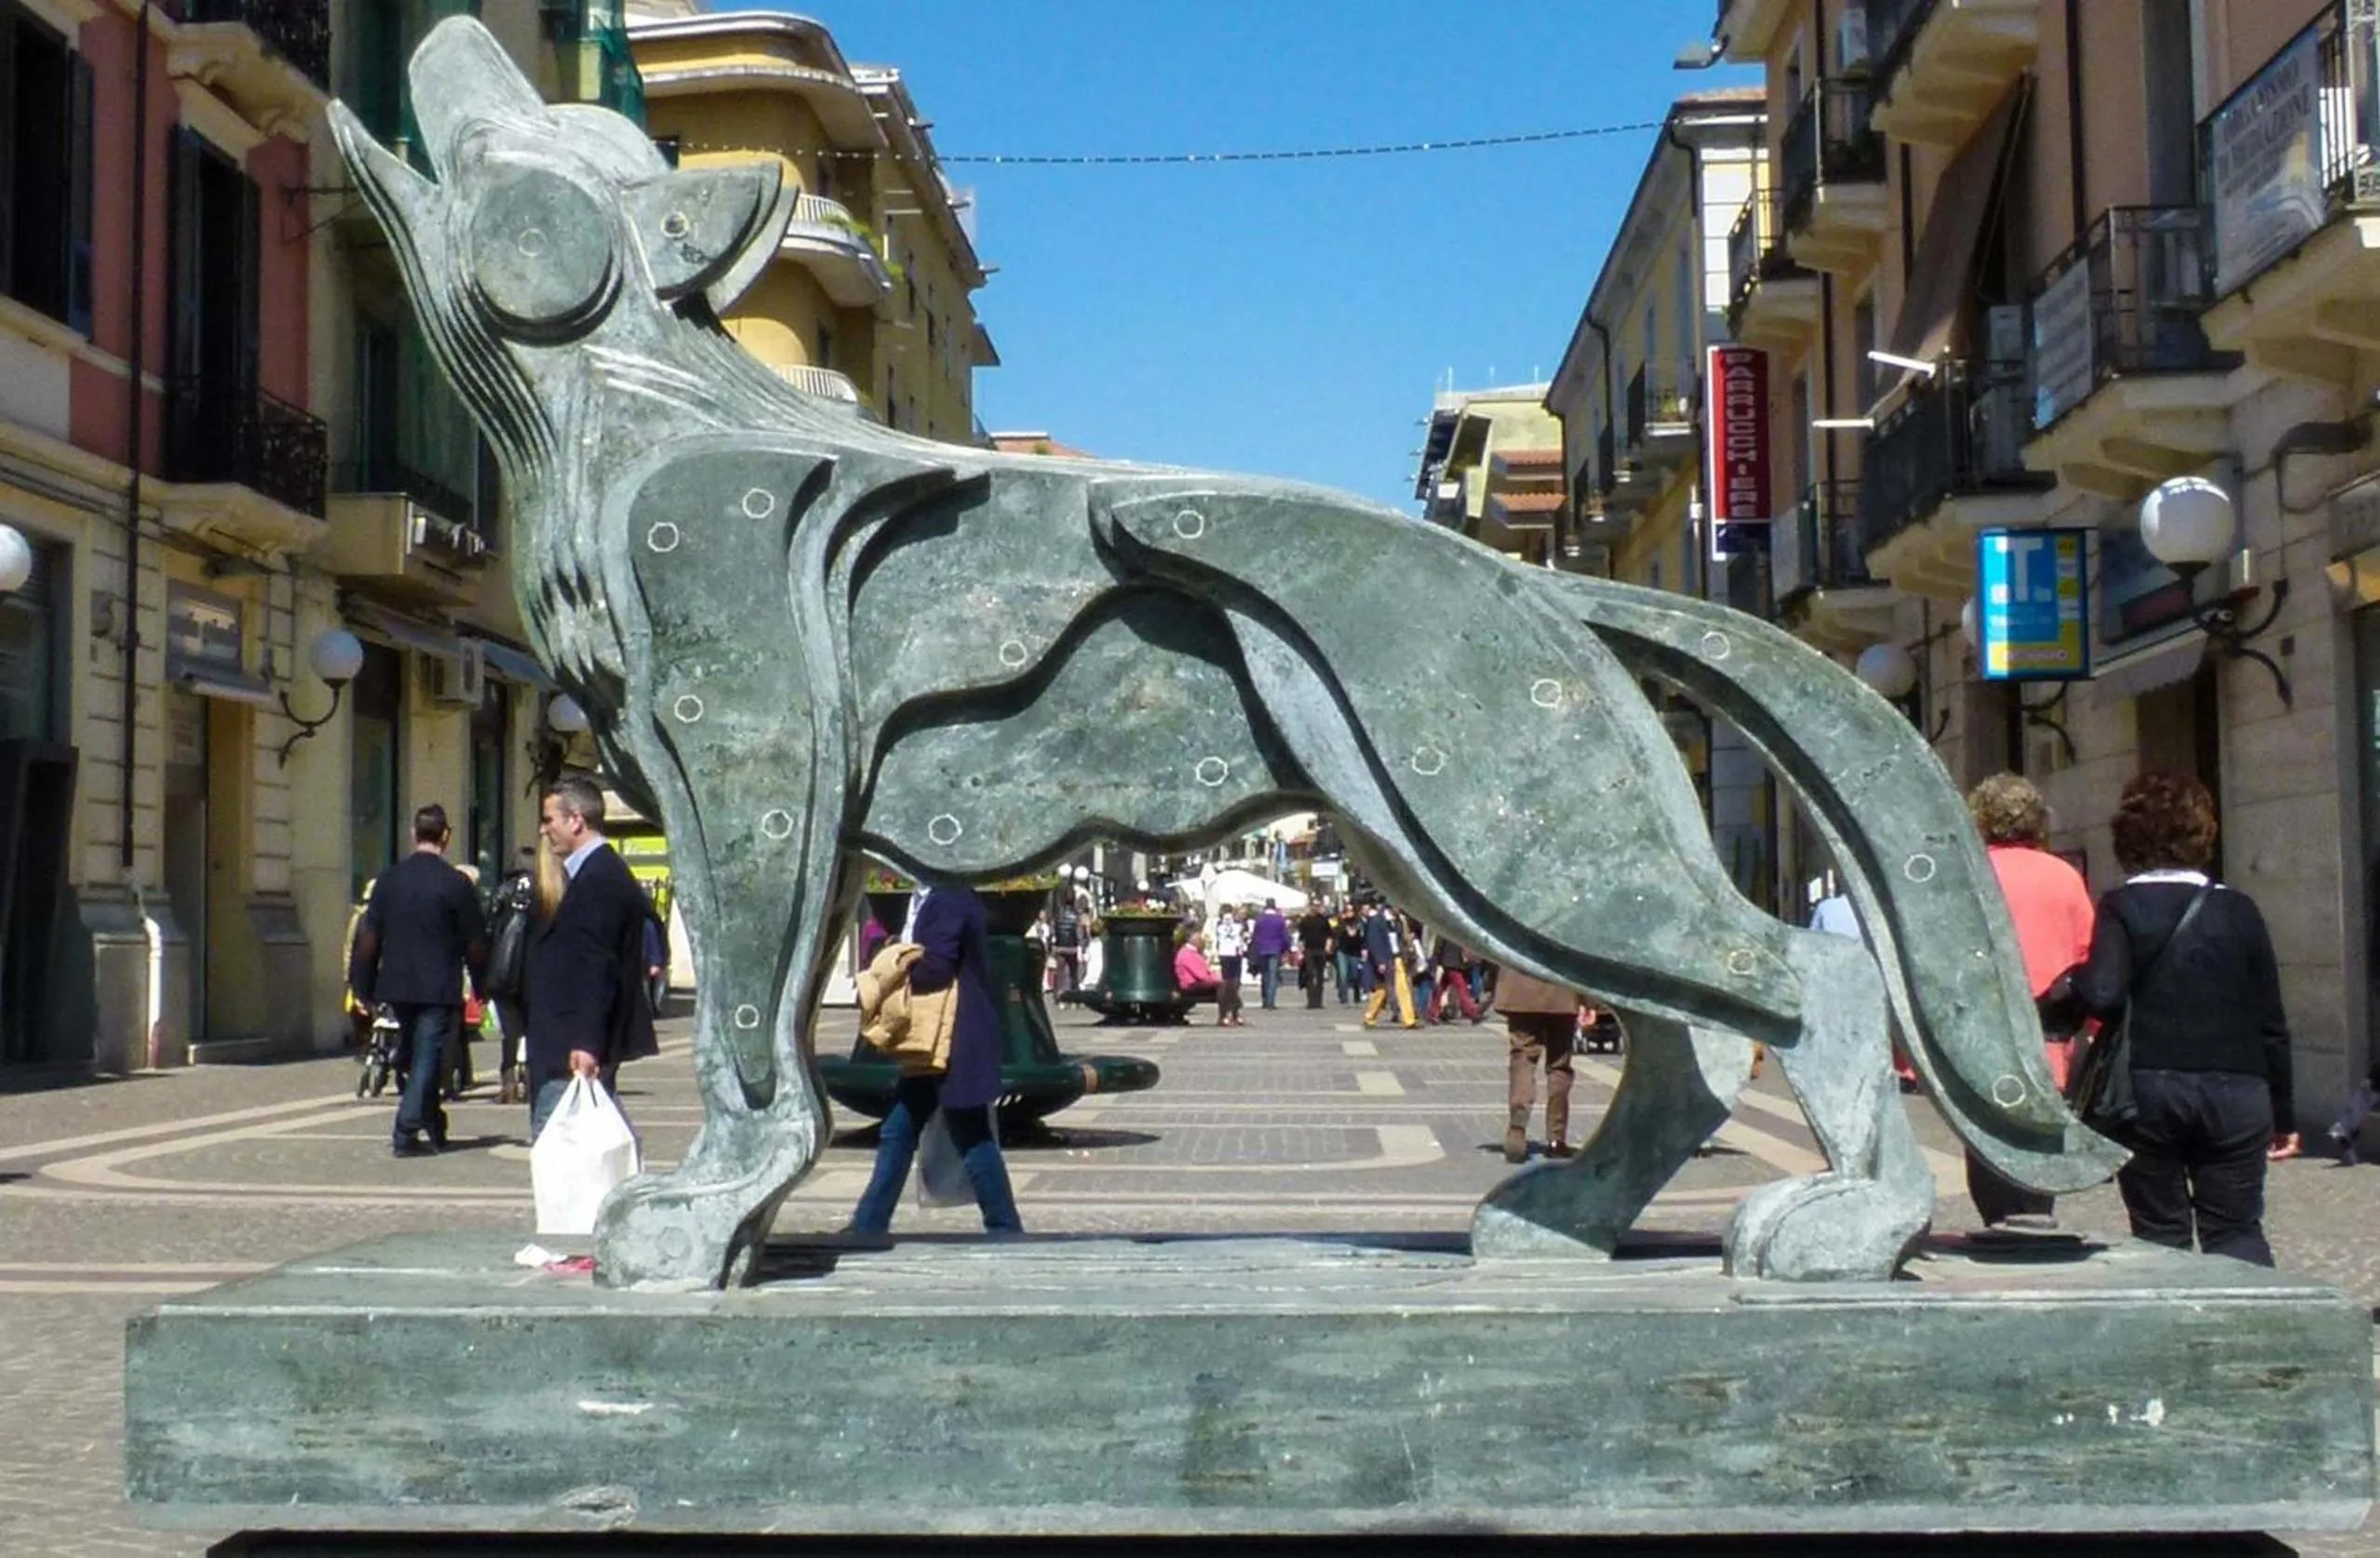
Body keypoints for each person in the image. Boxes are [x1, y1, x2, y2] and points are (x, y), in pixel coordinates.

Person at [2075, 772, 2297, 1267]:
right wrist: (2283, 1113)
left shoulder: (2122, 905)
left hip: (2150, 1091)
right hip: (2238, 1091)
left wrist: (2070, 988)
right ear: (2202, 834)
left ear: (2128, 838)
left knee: (2161, 1234)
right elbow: (2271, 1021)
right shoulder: (2240, 909)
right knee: (2237, 1229)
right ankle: (2256, 1331)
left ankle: (2177, 1334)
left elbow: (2104, 994)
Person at [849, 881, 1024, 1236]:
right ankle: (868, 1224)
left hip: (955, 1038)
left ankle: (1005, 1227)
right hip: (933, 1041)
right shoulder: (929, 897)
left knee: (971, 1134)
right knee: (899, 1131)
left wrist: (892, 963)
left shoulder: (950, 897)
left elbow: (936, 967)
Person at [1965, 772, 2097, 1229]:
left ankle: (1999, 1226)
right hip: (2050, 1046)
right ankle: (2035, 1221)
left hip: (1985, 1045)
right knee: (2039, 1154)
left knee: (1988, 1152)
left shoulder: (1969, 874)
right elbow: (2088, 956)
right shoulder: (2064, 876)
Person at [524, 776, 662, 1141]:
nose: (544, 829)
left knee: (562, 1147)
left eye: (549, 819)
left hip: (570, 1046)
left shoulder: (599, 879)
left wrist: (586, 1042)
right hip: (567, 1039)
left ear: (576, 820)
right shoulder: (591, 873)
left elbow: (597, 966)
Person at [347, 804, 489, 1158]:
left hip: (396, 984)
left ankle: (432, 1122)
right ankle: (406, 1127)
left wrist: (361, 985)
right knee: (426, 1057)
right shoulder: (456, 884)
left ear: (414, 835)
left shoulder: (389, 881)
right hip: (438, 985)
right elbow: (475, 941)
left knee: (411, 1055)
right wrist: (484, 985)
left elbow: (368, 937)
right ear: (446, 837)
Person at [1496, 967, 1582, 1162]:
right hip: (1563, 988)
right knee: (1559, 1065)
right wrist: (1591, 1001)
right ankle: (1556, 1139)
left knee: (1522, 1059)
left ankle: (1517, 1128)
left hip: (1521, 987)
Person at [483, 846, 537, 1106]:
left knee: (510, 1032)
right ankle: (532, 1078)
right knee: (534, 1028)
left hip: (503, 971)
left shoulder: (503, 891)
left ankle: (508, 1084)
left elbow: (489, 928)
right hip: (534, 972)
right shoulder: (545, 889)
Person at [1360, 899, 1419, 1028]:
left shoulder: (1399, 921)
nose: (1399, 909)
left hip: (1397, 957)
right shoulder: (1377, 921)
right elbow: (1374, 942)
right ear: (1390, 906)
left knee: (1402, 988)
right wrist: (1380, 961)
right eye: (1397, 906)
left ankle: (1409, 1019)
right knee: (1382, 990)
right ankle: (1370, 1016)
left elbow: (1402, 938)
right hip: (1385, 958)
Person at [1425, 937, 1484, 1024]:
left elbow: (1438, 948)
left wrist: (1436, 962)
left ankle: (1432, 1012)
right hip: (1453, 964)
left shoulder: (1444, 931)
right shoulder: (1456, 932)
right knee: (1462, 988)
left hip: (1447, 963)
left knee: (1440, 989)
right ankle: (1471, 1012)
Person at [1249, 899, 1291, 1010]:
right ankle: (1270, 1001)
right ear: (1274, 907)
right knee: (1273, 976)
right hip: (1275, 950)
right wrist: (1286, 949)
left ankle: (1264, 999)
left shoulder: (1259, 920)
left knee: (1265, 975)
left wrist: (1254, 950)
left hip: (1262, 949)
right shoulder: (1280, 920)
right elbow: (1285, 936)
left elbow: (1255, 937)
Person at [1209, 907, 1246, 1027]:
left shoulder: (1220, 925)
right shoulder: (1234, 925)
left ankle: (1228, 1014)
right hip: (1231, 955)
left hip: (1228, 954)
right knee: (1230, 985)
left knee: (1232, 984)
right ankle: (1231, 1014)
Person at [1174, 925, 1225, 1007]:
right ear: (1193, 940)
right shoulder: (1188, 954)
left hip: (1196, 984)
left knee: (1228, 985)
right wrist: (1218, 979)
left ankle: (1231, 1014)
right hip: (1191, 986)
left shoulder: (1192, 953)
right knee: (1225, 986)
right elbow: (1202, 976)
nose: (1203, 941)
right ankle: (1227, 1014)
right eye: (1200, 939)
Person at [1296, 902, 1334, 1009]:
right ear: (1310, 907)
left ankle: (1319, 1001)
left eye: (1318, 906)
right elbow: (1301, 937)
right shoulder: (1305, 920)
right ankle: (1311, 1001)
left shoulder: (1324, 920)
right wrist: (1301, 950)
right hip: (1309, 950)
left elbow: (1330, 935)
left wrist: (1328, 947)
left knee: (1320, 976)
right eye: (1314, 906)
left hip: (1321, 950)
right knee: (1309, 974)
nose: (1316, 908)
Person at [1051, 898, 1084, 994]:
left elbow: (1053, 931)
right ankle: (1074, 992)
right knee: (1073, 972)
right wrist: (1081, 945)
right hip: (1072, 947)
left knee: (1060, 971)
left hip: (1059, 946)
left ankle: (1058, 993)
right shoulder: (1076, 916)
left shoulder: (1057, 915)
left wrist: (1053, 944)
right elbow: (1079, 933)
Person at [1333, 906, 1365, 1005]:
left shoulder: (1359, 923)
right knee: (1343, 974)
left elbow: (1358, 935)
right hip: (1342, 951)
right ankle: (1343, 997)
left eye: (1351, 911)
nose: (1349, 913)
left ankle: (1356, 994)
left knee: (1355, 974)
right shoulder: (1341, 923)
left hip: (1355, 952)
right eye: (1347, 911)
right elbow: (1336, 933)